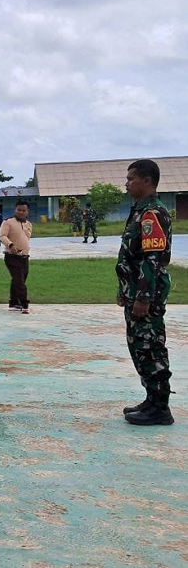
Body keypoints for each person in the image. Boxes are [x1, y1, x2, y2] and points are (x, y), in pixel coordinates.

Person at [118, 159, 174, 426]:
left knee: (150, 347)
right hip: (135, 292)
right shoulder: (139, 210)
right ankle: (151, 399)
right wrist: (124, 289)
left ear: (147, 181)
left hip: (146, 295)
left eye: (131, 179)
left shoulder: (152, 213)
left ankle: (160, 407)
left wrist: (143, 298)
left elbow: (151, 260)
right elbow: (131, 257)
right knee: (139, 345)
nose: (127, 183)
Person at [0, 200, 32, 314]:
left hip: (24, 256)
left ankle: (14, 303)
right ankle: (24, 304)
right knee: (19, 282)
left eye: (24, 210)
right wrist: (10, 244)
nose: (21, 212)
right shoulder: (8, 222)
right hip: (12, 256)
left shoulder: (28, 224)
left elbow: (26, 238)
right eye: (19, 210)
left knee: (18, 280)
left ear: (27, 211)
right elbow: (2, 236)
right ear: (15, 210)